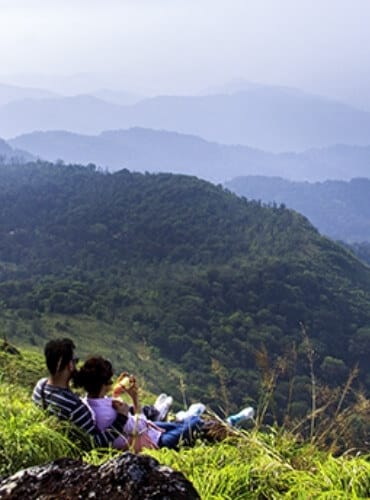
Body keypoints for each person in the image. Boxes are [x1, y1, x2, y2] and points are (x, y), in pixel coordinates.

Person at [74, 356, 205, 451]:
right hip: (154, 441)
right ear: (104, 384)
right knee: (196, 421)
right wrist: (134, 397)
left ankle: (173, 414)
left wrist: (117, 392)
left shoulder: (87, 403)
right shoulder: (110, 413)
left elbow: (106, 407)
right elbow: (140, 425)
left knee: (182, 424)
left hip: (151, 430)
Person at [32, 338, 130, 448]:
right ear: (70, 365)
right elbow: (95, 442)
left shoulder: (40, 386)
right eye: (75, 360)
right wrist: (121, 418)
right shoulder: (74, 406)